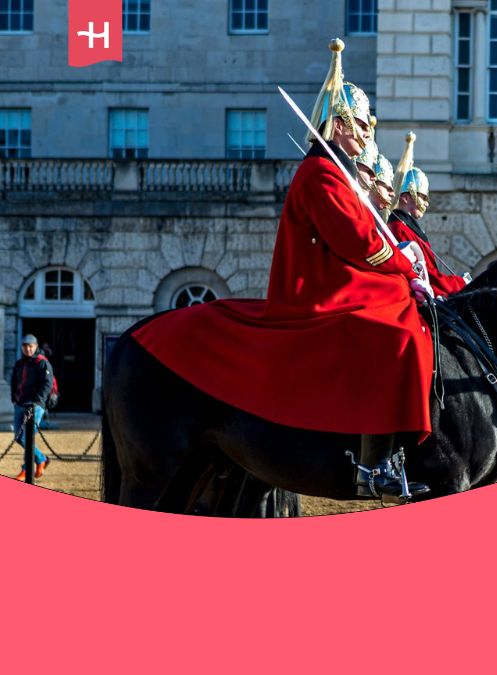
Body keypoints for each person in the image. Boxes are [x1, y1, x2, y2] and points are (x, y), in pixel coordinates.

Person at [133, 39, 434, 499]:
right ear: (336, 124)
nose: (366, 136)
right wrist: (401, 261)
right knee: (394, 333)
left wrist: (403, 266)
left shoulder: (336, 173)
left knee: (405, 313)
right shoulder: (320, 174)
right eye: (359, 127)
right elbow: (357, 244)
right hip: (318, 290)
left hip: (340, 281)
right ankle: (372, 466)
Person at [387, 133, 468, 298]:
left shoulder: (410, 229)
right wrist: (459, 283)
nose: (426, 203)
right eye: (422, 197)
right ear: (405, 197)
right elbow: (426, 276)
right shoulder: (399, 229)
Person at [11, 334, 52, 481]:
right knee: (18, 437)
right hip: (20, 404)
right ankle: (41, 459)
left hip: (35, 406)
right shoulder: (19, 363)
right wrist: (14, 399)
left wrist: (37, 402)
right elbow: (14, 381)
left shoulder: (42, 363)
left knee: (25, 437)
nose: (28, 349)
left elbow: (47, 385)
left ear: (36, 346)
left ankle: (27, 468)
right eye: (25, 346)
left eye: (30, 346)